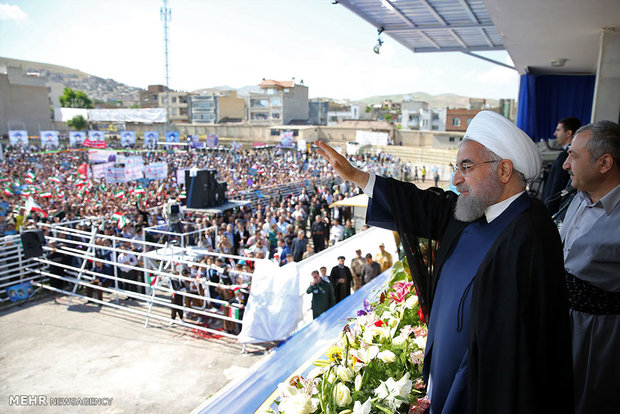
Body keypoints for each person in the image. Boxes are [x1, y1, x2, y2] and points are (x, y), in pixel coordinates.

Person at [315, 110, 574, 414]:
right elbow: (423, 204)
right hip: (443, 381)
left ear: (504, 170)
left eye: (467, 166)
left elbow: (514, 347)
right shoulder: (472, 210)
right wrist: (358, 177)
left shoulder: (531, 236)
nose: (455, 179)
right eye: (456, 166)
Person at [560, 120, 620, 414]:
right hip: (562, 325)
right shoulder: (577, 199)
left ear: (605, 163)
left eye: (574, 156)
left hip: (600, 340)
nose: (565, 165)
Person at [541, 117, 582, 215]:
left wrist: (547, 212)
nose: (555, 134)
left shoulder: (564, 156)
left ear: (569, 133)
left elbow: (557, 186)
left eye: (558, 130)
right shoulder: (563, 155)